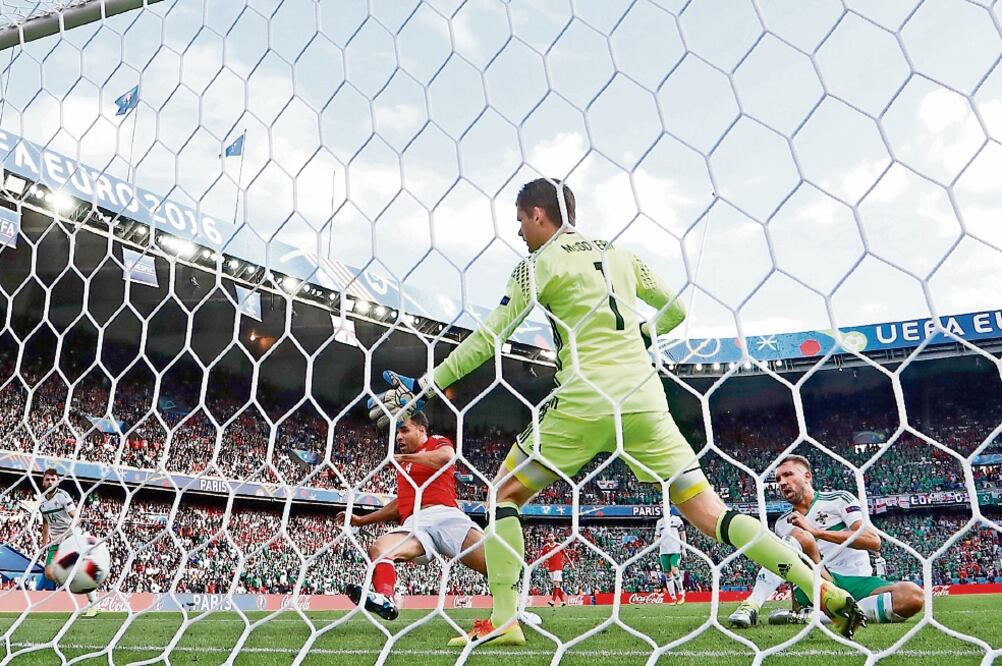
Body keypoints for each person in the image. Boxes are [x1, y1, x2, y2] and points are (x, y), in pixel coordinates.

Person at [368, 178, 865, 646]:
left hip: (585, 398)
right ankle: (824, 592)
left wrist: (426, 384)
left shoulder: (537, 264)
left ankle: (505, 619)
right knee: (710, 511)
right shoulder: (621, 254)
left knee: (505, 491)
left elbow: (490, 335)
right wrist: (639, 336)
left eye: (520, 219)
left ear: (539, 215)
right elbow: (674, 309)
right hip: (646, 398)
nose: (519, 231)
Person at [728, 456, 923, 628]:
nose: (782, 482)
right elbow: (787, 568)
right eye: (778, 479)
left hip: (858, 582)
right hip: (819, 582)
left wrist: (817, 532)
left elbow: (873, 541)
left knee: (913, 596)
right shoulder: (782, 523)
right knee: (798, 537)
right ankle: (751, 605)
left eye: (788, 475)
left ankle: (818, 617)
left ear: (807, 476)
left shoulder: (839, 499)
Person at [337, 412, 485, 620]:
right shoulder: (404, 469)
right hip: (416, 524)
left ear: (421, 430)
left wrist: (403, 457)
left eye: (404, 430)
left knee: (493, 564)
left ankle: (515, 611)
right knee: (380, 549)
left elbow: (446, 458)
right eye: (397, 432)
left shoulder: (435, 442)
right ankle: (385, 597)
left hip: (446, 516)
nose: (398, 437)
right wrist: (362, 520)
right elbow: (400, 504)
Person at [38, 468, 98, 617]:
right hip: (57, 540)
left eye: (53, 479)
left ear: (57, 481)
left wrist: (75, 525)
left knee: (82, 570)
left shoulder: (63, 496)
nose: (50, 482)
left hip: (71, 537)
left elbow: (74, 515)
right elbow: (45, 523)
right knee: (49, 573)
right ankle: (71, 578)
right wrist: (44, 543)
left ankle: (94, 604)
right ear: (43, 481)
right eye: (48, 479)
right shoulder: (41, 501)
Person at [654, 510, 686, 604]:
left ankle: (681, 594)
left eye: (663, 506)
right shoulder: (659, 522)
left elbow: (682, 534)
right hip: (664, 551)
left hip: (675, 550)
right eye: (660, 506)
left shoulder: (677, 519)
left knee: (674, 570)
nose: (662, 508)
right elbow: (656, 536)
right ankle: (673, 598)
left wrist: (683, 548)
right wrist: (656, 542)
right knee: (667, 575)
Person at [538, 533, 573, 607]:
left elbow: (566, 555)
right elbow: (542, 557)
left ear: (554, 537)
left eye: (552, 536)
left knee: (557, 583)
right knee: (556, 585)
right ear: (547, 538)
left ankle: (553, 601)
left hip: (558, 567)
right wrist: (544, 565)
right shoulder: (546, 547)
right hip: (550, 568)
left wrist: (571, 564)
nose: (550, 538)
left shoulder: (559, 546)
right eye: (549, 537)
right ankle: (563, 601)